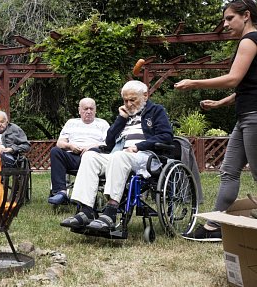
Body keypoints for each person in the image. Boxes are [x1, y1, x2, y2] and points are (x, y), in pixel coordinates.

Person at [174, 0, 257, 242]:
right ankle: (215, 226)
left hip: (254, 117)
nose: (226, 23)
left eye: (230, 18)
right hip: (245, 117)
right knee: (228, 171)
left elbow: (233, 78)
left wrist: (194, 83)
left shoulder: (249, 40)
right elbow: (248, 85)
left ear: (246, 16)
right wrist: (221, 103)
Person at [60, 80, 173, 232]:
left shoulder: (156, 111)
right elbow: (109, 142)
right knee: (89, 157)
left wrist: (139, 146)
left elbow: (166, 136)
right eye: (125, 100)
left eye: (132, 99)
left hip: (145, 157)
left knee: (119, 156)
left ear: (145, 96)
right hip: (118, 156)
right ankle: (85, 211)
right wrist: (121, 119)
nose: (128, 103)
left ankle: (111, 212)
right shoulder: (125, 115)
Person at [48, 98, 110, 205]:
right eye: (86, 109)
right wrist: (70, 146)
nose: (89, 111)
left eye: (91, 108)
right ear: (79, 110)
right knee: (55, 151)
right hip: (74, 156)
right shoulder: (71, 123)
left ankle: (85, 197)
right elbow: (60, 143)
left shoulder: (103, 124)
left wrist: (91, 147)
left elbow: (108, 144)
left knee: (92, 152)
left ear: (95, 110)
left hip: (94, 158)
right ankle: (60, 192)